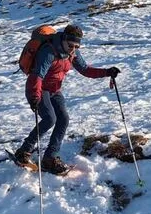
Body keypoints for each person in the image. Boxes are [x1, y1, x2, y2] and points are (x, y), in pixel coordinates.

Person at [13, 24, 121, 175]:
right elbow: (37, 75)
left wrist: (107, 72)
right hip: (39, 89)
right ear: (63, 39)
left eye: (76, 46)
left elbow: (85, 69)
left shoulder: (72, 53)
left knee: (63, 119)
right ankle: (24, 151)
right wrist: (34, 96)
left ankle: (50, 158)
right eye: (70, 45)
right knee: (49, 119)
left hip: (55, 90)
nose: (73, 49)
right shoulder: (48, 51)